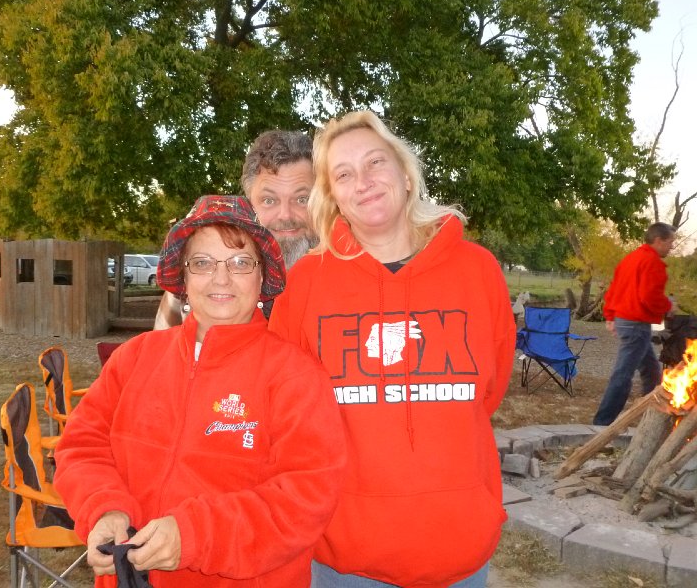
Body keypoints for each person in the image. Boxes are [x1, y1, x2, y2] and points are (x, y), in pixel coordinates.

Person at [268, 111, 516, 588]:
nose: (362, 182)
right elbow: (287, 410)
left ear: (405, 174)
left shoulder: (478, 270)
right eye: (343, 174)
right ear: (333, 195)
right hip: (347, 555)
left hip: (458, 548)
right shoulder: (305, 282)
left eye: (375, 163)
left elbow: (489, 389)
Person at [54, 195, 345, 587]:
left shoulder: (296, 375)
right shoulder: (134, 358)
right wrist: (104, 510)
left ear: (262, 279)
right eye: (203, 263)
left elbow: (305, 498)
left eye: (241, 263)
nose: (220, 279)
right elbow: (81, 445)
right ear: (184, 278)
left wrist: (193, 536)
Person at [154, 129, 316, 329]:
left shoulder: (347, 281)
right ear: (249, 204)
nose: (285, 215)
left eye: (302, 199)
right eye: (269, 200)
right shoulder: (189, 293)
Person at [592, 222, 677, 426]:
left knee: (652, 372)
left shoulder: (631, 258)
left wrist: (611, 316)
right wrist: (668, 306)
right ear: (658, 240)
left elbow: (614, 289)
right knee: (623, 375)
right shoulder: (652, 262)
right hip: (636, 324)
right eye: (670, 242)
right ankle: (601, 424)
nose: (672, 247)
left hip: (629, 321)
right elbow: (650, 296)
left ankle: (653, 419)